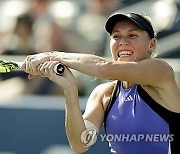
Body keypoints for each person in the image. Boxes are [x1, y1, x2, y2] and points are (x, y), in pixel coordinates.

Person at [21, 12, 180, 154]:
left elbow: (104, 69)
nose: (122, 42)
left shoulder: (161, 71)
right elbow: (81, 144)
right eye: (116, 36)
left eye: (132, 35)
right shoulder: (104, 94)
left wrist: (50, 55)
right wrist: (70, 88)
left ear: (151, 45)